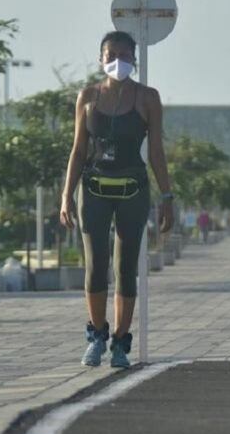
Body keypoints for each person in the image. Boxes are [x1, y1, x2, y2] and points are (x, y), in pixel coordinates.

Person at [60, 30, 174, 369]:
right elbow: (78, 150)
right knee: (96, 266)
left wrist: (167, 195)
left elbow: (156, 151)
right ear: (100, 59)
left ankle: (121, 343)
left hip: (133, 189)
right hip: (93, 189)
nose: (117, 62)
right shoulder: (87, 97)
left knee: (125, 269)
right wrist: (66, 196)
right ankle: (96, 335)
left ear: (134, 61)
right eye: (111, 56)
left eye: (125, 56)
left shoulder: (147, 98)